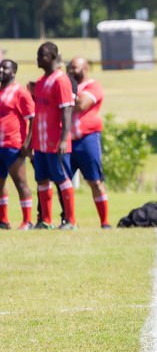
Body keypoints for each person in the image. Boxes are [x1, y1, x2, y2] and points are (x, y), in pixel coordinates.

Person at [31, 42, 77, 230]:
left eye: (41, 55)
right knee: (42, 179)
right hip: (41, 141)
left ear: (52, 57)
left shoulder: (61, 80)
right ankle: (46, 220)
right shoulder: (41, 81)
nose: (38, 59)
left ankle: (71, 221)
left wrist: (63, 139)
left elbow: (67, 110)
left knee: (62, 178)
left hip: (55, 140)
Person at [68, 57, 111, 229]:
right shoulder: (67, 86)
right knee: (64, 182)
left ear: (85, 68)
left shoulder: (93, 86)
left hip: (87, 139)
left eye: (75, 67)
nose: (71, 71)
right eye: (69, 68)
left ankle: (105, 221)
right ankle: (69, 221)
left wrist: (64, 100)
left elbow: (81, 104)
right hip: (67, 140)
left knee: (95, 181)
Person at [0, 59, 36, 230]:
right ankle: (3, 220)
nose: (1, 71)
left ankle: (27, 221)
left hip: (13, 145)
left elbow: (33, 118)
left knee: (21, 183)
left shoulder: (20, 92)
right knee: (0, 184)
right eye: (0, 68)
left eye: (5, 68)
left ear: (14, 72)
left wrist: (28, 144)